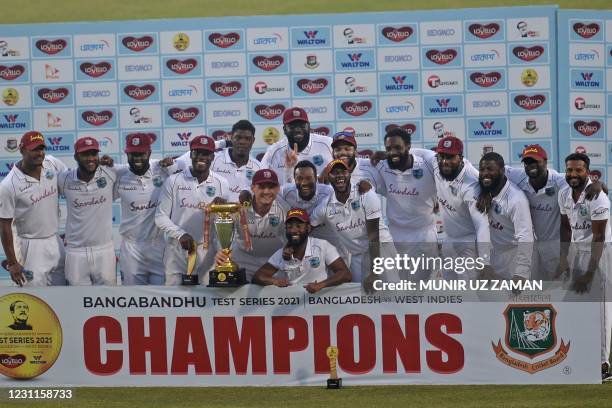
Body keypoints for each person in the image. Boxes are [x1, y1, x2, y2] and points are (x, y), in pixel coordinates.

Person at [505, 144, 604, 280]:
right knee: (533, 290)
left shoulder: (560, 180)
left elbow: (589, 184)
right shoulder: (518, 175)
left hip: (556, 246)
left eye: (535, 161)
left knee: (560, 288)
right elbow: (494, 171)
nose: (531, 165)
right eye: (527, 162)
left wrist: (598, 184)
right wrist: (486, 193)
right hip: (531, 245)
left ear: (545, 162)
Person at [557, 152, 611, 381]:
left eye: (578, 170)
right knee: (572, 306)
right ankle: (579, 356)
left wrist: (589, 273)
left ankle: (603, 364)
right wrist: (563, 258)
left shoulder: (597, 196)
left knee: (601, 309)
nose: (573, 174)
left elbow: (598, 237)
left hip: (601, 254)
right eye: (569, 170)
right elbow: (565, 228)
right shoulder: (563, 193)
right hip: (578, 252)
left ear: (588, 172)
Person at [155, 135, 230, 285]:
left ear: (212, 157)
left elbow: (224, 223)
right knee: (176, 302)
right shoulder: (174, 181)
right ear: (191, 155)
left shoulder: (222, 183)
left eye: (206, 154)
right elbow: (160, 217)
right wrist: (180, 235)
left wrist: (222, 211)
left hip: (207, 253)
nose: (201, 157)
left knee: (206, 304)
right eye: (197, 153)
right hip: (177, 251)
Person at [311, 159, 396, 284]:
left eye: (343, 171)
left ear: (349, 173)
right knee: (359, 298)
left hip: (381, 250)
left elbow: (373, 236)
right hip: (357, 256)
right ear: (328, 177)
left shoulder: (366, 194)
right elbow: (308, 226)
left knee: (393, 295)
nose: (339, 175)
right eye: (334, 172)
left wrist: (375, 272)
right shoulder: (325, 206)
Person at [0, 131, 66, 287]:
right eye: (35, 149)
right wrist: (12, 262)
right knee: (35, 297)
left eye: (42, 148)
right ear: (22, 150)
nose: (40, 153)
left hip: (55, 241)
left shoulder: (52, 164)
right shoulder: (8, 185)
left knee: (63, 294)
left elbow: (73, 183)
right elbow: (4, 226)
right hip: (30, 247)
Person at [374, 127, 438, 279]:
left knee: (423, 289)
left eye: (398, 147)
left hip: (424, 236)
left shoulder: (427, 165)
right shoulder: (382, 167)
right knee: (399, 287)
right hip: (395, 235)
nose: (392, 152)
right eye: (388, 149)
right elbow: (356, 168)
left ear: (409, 147)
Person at [114, 133, 175, 285]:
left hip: (158, 245)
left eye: (141, 154)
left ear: (149, 153)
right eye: (133, 154)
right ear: (126, 154)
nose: (137, 158)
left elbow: (188, 167)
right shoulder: (118, 174)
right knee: (132, 299)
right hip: (131, 247)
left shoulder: (162, 169)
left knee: (162, 299)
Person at [58, 137, 118, 285]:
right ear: (76, 157)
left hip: (104, 250)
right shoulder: (63, 179)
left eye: (93, 154)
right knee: (77, 302)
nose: (90, 158)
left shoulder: (111, 174)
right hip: (75, 252)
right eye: (85, 154)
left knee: (107, 300)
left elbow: (137, 169)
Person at [214, 169, 289, 282]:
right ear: (253, 188)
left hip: (272, 262)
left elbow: (289, 239)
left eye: (271, 187)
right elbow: (222, 231)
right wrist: (221, 251)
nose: (267, 191)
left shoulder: (284, 209)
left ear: (278, 188)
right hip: (243, 259)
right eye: (261, 187)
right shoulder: (237, 207)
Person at [253, 208, 351, 293]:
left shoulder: (322, 245)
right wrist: (274, 281)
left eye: (299, 226)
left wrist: (321, 285)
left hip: (319, 303)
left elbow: (345, 274)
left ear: (308, 228)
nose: (294, 230)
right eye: (290, 227)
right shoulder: (280, 253)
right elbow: (258, 276)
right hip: (294, 306)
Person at [476, 152, 534, 281]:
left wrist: (522, 272)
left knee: (517, 300)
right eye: (482, 169)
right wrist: (485, 193)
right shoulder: (484, 188)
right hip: (494, 254)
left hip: (515, 255)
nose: (485, 173)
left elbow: (525, 236)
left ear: (502, 171)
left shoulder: (516, 200)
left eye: (490, 169)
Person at [176, 120, 261, 201]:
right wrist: (172, 164)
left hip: (244, 216)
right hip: (211, 214)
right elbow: (186, 164)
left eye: (247, 138)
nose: (242, 142)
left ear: (253, 140)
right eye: (238, 137)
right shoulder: (214, 158)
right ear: (231, 138)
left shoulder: (259, 168)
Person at [260, 107, 332, 185]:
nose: (298, 130)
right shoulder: (273, 151)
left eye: (302, 125)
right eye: (292, 126)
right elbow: (260, 180)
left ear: (309, 126)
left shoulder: (328, 144)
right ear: (284, 130)